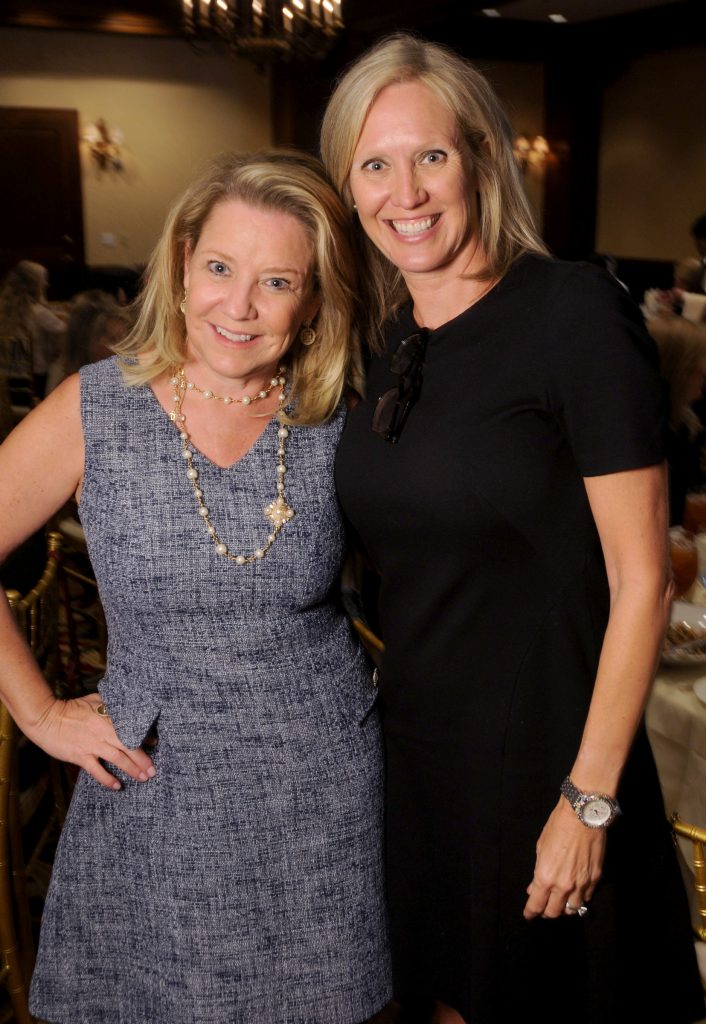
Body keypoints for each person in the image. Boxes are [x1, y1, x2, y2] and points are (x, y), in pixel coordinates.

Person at [320, 33, 705, 1024]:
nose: (404, 190)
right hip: (415, 758)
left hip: (547, 758)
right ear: (348, 186)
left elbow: (643, 581)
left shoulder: (572, 314)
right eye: (374, 164)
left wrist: (586, 802)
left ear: (483, 158)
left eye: (431, 156)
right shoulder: (388, 335)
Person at [0, 150, 391, 1023]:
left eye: (277, 281)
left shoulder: (342, 418)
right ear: (181, 268)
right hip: (157, 786)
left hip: (320, 797)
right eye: (219, 267)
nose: (239, 306)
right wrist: (38, 714)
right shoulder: (97, 407)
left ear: (317, 299)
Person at [649, 316, 706, 524]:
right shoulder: (654, 438)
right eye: (698, 366)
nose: (704, 373)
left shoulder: (685, 422)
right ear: (681, 370)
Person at [45, 288, 131, 393]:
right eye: (114, 339)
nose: (125, 346)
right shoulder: (71, 389)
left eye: (124, 337)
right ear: (88, 342)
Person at [0, 259, 66, 397]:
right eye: (44, 281)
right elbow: (67, 331)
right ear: (34, 286)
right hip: (36, 380)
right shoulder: (39, 313)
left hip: (7, 377)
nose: (47, 284)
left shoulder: (5, 309)